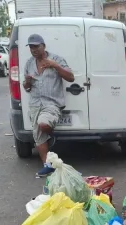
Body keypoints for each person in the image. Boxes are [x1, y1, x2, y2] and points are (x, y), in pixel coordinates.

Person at [22, 33, 75, 176]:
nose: (34, 50)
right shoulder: (29, 63)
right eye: (31, 47)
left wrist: (55, 66)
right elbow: (26, 88)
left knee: (43, 124)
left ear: (43, 46)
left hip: (51, 103)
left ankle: (51, 135)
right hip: (35, 104)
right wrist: (27, 81)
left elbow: (70, 77)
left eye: (36, 46)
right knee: (37, 135)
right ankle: (48, 166)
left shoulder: (56, 59)